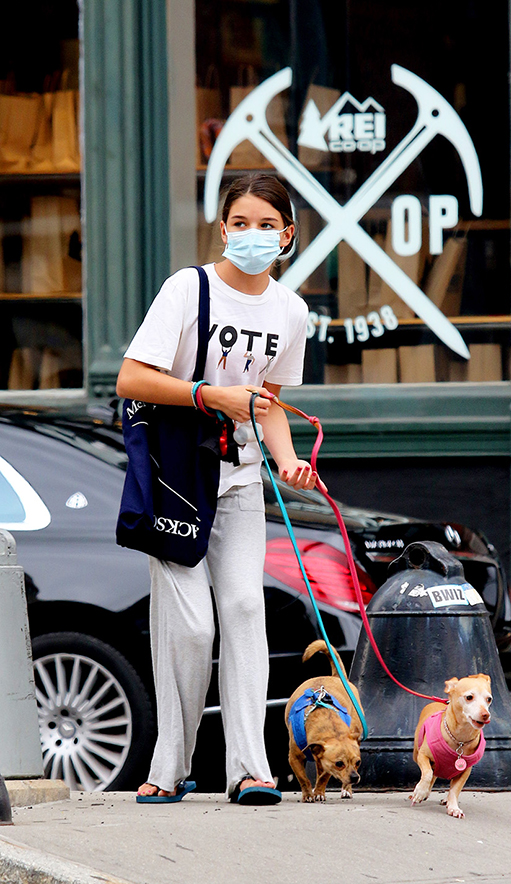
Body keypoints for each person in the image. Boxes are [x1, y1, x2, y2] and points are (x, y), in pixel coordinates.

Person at [116, 174, 317, 805]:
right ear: (222, 228)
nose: (251, 235)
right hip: (177, 480)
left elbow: (271, 404)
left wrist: (287, 461)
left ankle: (249, 770)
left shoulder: (290, 311)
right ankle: (169, 766)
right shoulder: (187, 289)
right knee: (193, 629)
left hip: (240, 479)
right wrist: (208, 395)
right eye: (240, 223)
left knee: (245, 613)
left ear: (286, 235)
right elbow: (129, 379)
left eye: (266, 225)